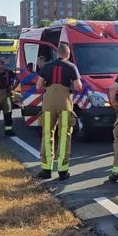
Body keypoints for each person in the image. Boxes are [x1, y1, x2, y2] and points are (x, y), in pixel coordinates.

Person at [36, 44, 82, 181]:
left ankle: (46, 169)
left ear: (57, 53)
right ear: (67, 55)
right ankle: (62, 171)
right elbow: (78, 86)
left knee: (47, 134)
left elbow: (38, 85)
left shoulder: (46, 66)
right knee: (64, 136)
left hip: (49, 104)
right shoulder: (71, 67)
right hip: (65, 104)